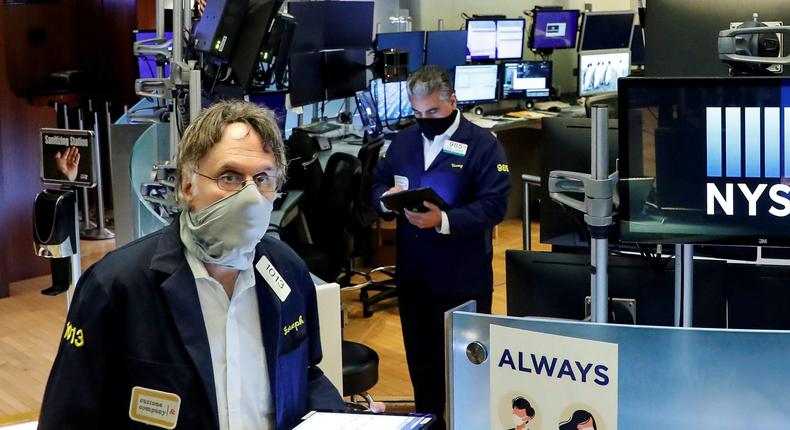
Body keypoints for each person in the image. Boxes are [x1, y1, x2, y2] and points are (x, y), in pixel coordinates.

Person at [38, 101, 344, 430]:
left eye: (262, 179)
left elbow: (307, 375)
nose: (250, 197)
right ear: (187, 186)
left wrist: (342, 420)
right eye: (230, 177)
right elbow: (68, 418)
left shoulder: (288, 271)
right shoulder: (116, 285)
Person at [371, 65, 511, 429]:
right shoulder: (401, 141)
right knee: (422, 363)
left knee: (470, 369)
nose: (424, 119)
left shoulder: (484, 144)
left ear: (453, 101)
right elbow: (378, 183)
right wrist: (386, 201)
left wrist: (444, 221)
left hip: (462, 277)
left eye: (432, 112)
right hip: (414, 275)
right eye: (417, 113)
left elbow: (494, 206)